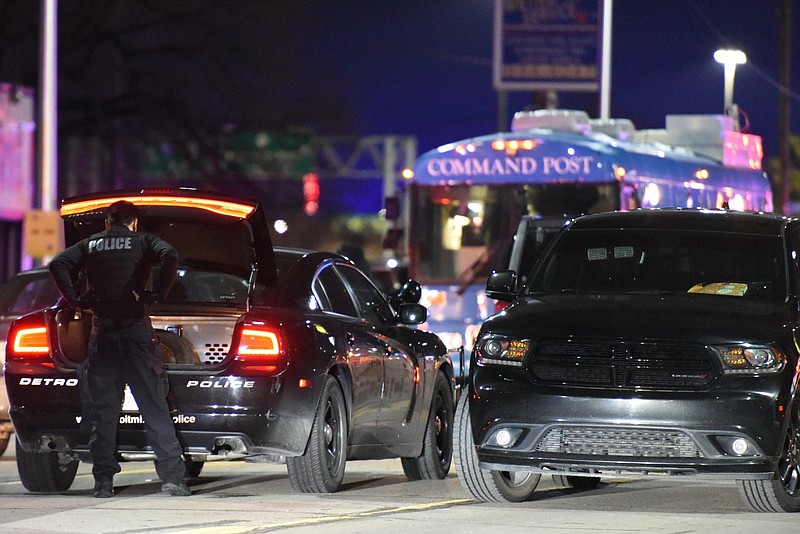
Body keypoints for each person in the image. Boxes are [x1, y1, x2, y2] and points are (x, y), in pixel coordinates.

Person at [48, 200, 190, 498]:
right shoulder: (142, 241)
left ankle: (103, 482)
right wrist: (156, 294)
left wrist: (75, 300)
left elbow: (57, 263)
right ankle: (173, 479)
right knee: (154, 407)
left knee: (104, 413)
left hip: (103, 336)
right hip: (135, 334)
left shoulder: (91, 244)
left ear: (107, 223)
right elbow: (170, 254)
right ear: (134, 222)